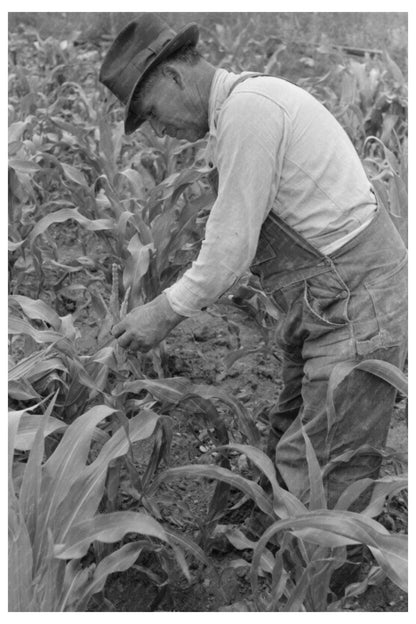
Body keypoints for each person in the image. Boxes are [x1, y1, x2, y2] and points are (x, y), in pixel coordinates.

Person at [100, 14, 407, 511]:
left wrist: (161, 312)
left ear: (176, 77)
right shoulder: (240, 112)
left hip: (356, 299)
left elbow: (228, 252)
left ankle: (319, 576)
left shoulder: (250, 113)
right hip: (325, 300)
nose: (160, 130)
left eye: (153, 113)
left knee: (328, 463)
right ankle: (278, 545)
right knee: (293, 430)